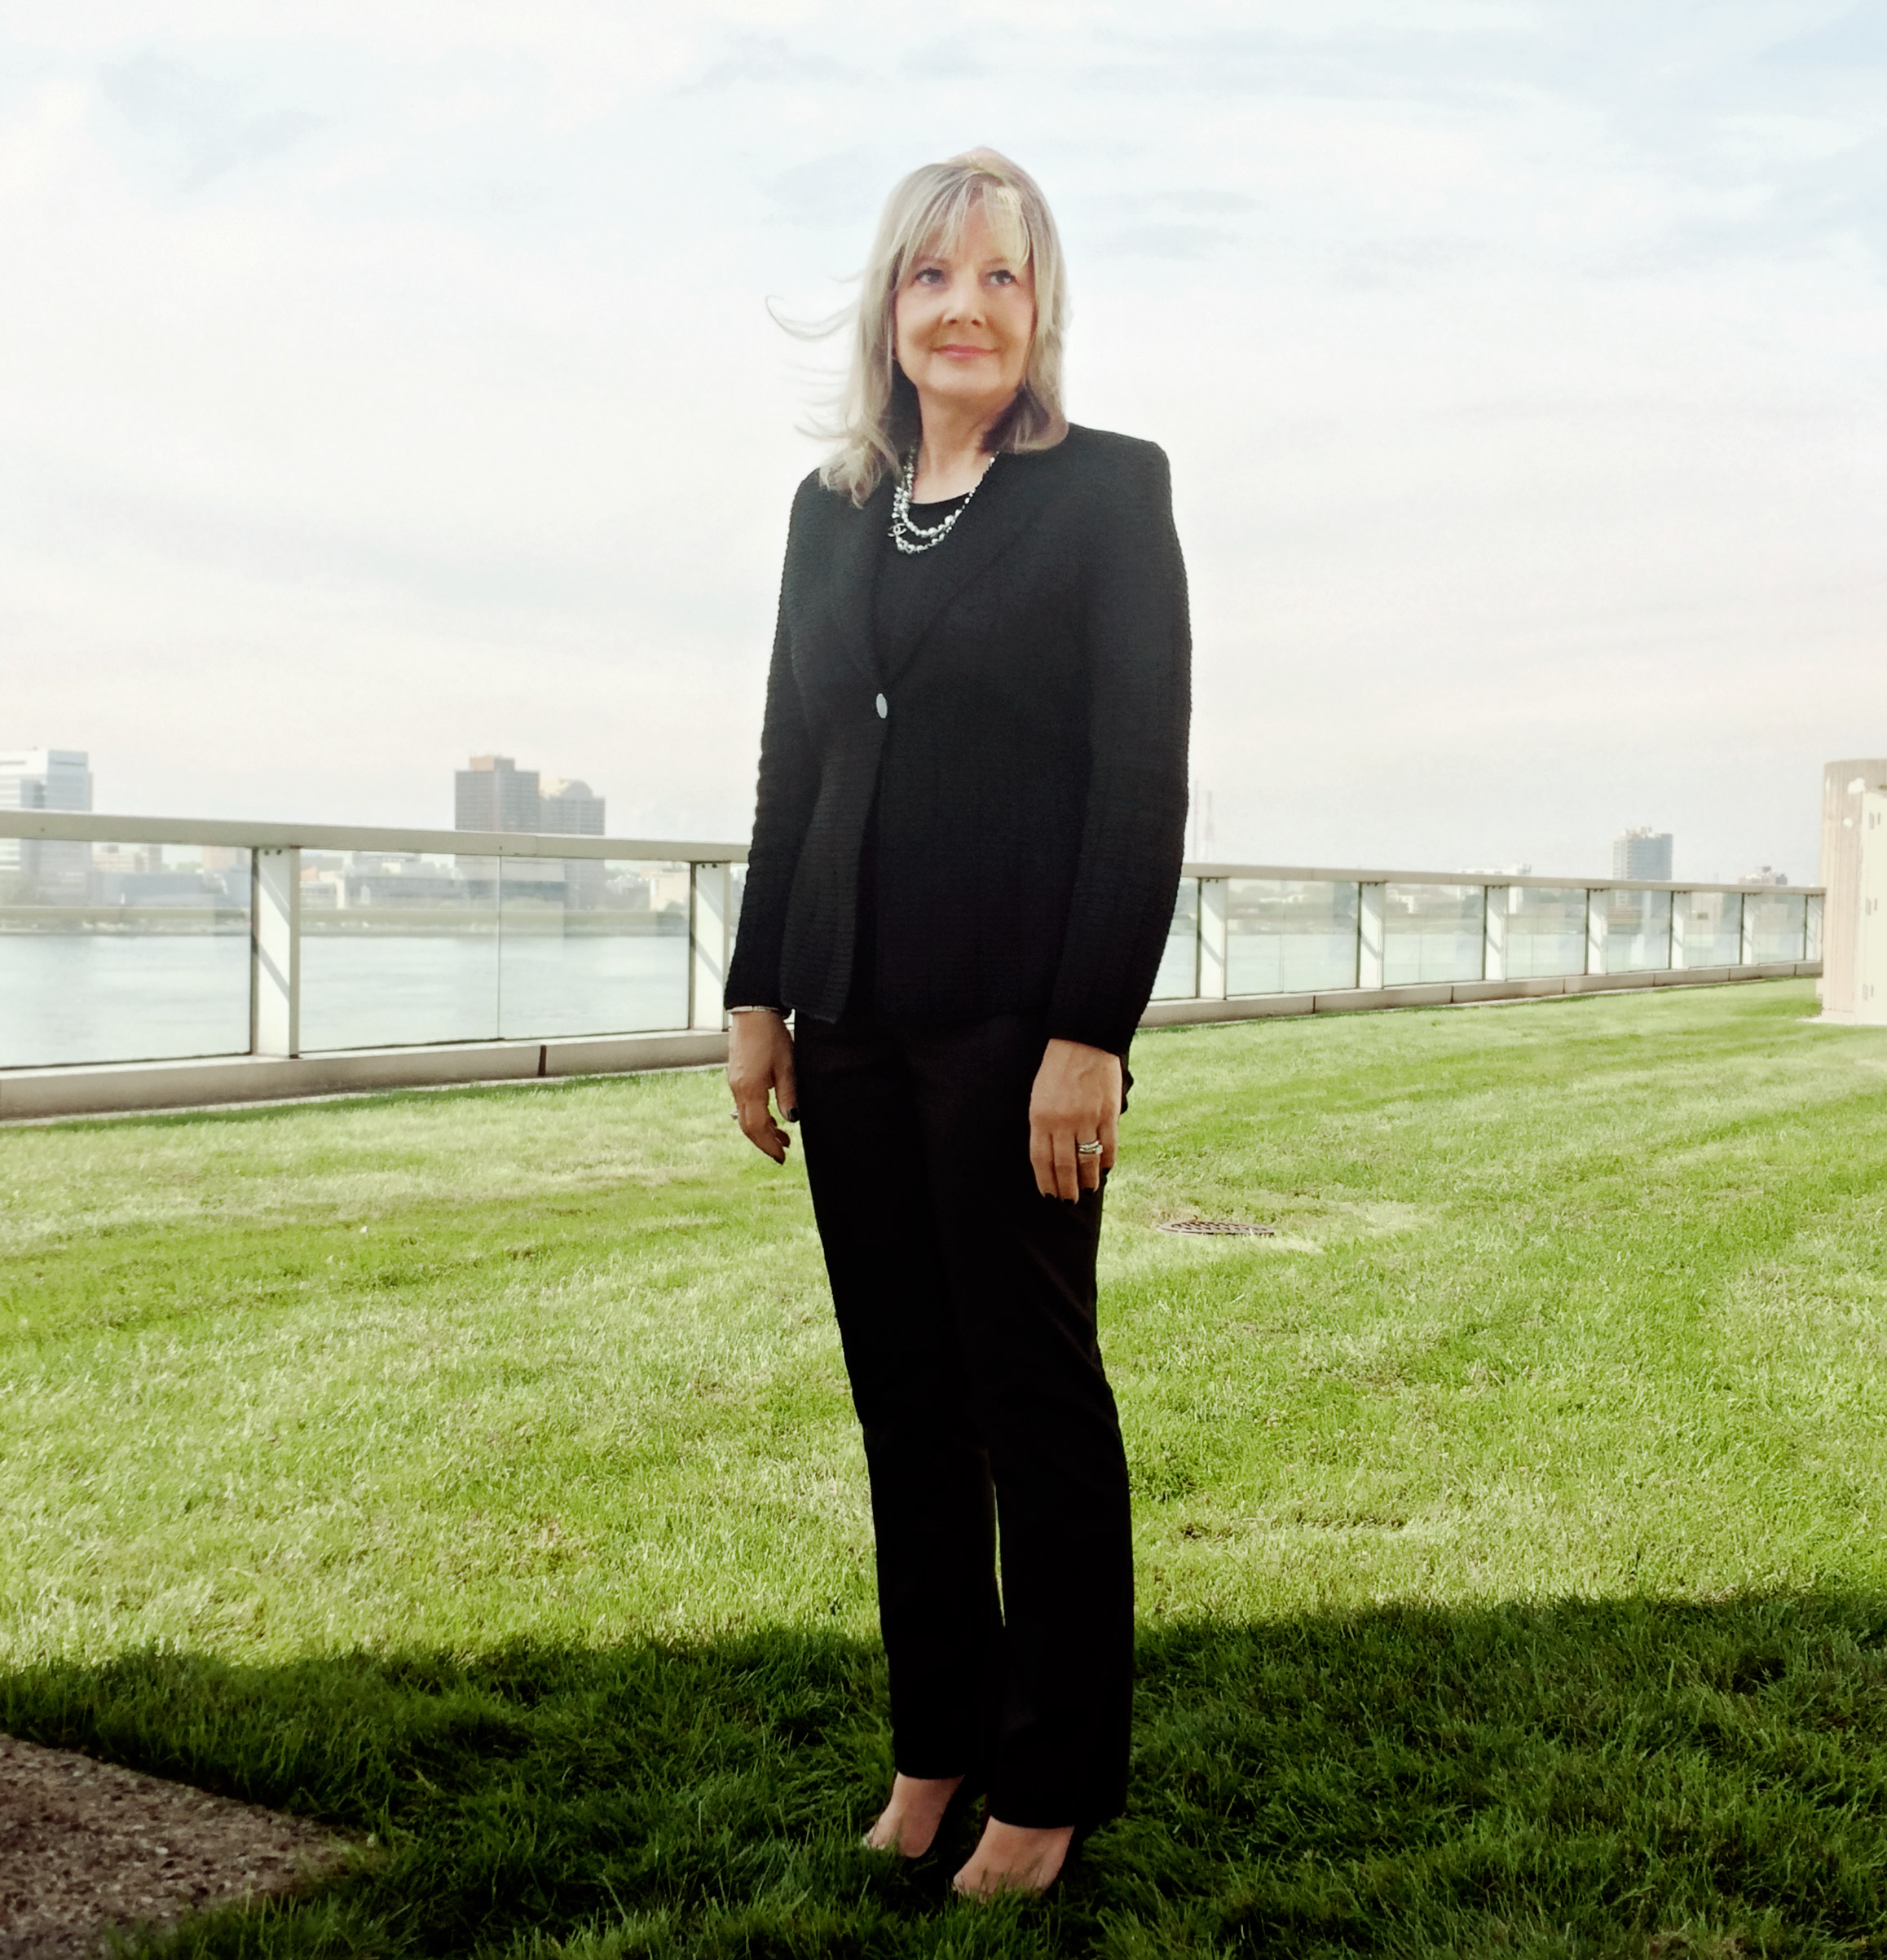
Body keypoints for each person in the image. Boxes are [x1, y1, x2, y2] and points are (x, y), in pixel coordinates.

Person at [724, 148, 1190, 1898]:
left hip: (1014, 1029)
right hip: (844, 1011)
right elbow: (796, 760)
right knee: (905, 1411)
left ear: (1040, 308)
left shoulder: (1111, 496)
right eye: (936, 278)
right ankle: (937, 1754)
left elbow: (1141, 784)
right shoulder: (826, 512)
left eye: (1002, 277)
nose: (969, 308)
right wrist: (758, 994)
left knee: (1030, 1402)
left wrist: (1092, 1031)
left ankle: (1047, 1786)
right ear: (891, 308)